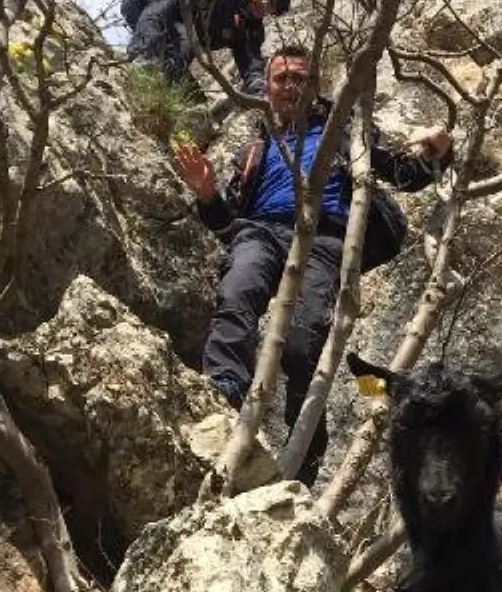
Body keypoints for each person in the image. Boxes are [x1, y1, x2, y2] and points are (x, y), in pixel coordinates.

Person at [172, 44, 453, 485]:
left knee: (305, 343)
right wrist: (206, 193)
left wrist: (436, 150)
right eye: (281, 78)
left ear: (315, 87)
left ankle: (301, 459)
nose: (289, 86)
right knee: (236, 294)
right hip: (259, 231)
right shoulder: (257, 148)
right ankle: (224, 390)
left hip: (324, 238)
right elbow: (225, 224)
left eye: (299, 78)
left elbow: (404, 173)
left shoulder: (343, 132)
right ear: (266, 88)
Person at [123, 0, 291, 97]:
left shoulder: (249, 31)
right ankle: (139, 63)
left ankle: (154, 92)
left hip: (173, 33)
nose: (265, 2)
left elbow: (251, 66)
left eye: (272, 5)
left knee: (185, 57)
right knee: (166, 1)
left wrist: (262, 93)